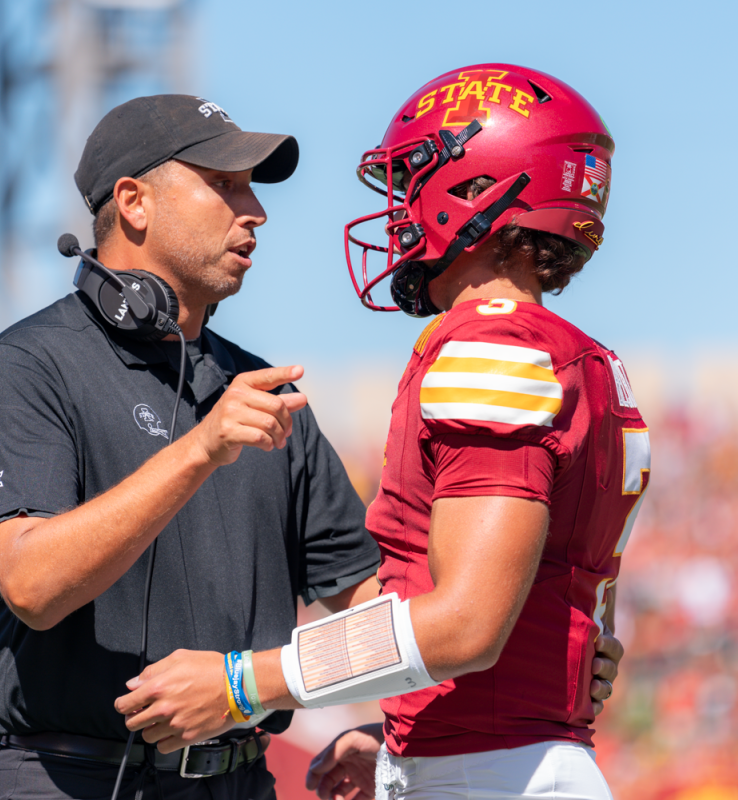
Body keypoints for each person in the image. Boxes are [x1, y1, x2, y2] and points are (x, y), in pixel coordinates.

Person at [115, 65, 643, 800]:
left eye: (415, 177)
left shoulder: (491, 351)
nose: (399, 210)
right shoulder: (576, 356)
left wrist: (247, 683)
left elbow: (465, 625)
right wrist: (401, 743)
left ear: (479, 188)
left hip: (492, 775)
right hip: (500, 757)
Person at [0, 95, 384, 800]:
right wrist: (199, 448)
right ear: (134, 203)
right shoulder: (28, 366)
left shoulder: (265, 394)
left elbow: (378, 606)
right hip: (67, 781)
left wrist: (400, 727)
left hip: (242, 781)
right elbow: (30, 585)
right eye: (224, 183)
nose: (256, 211)